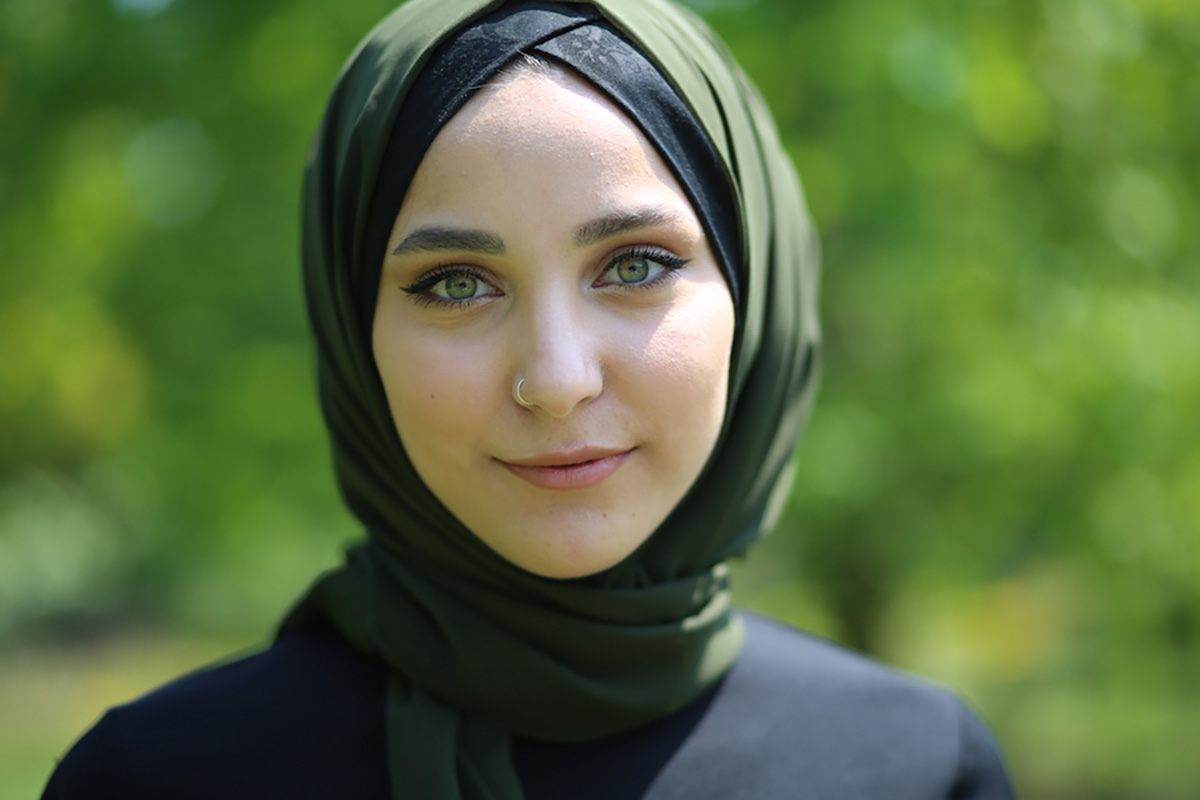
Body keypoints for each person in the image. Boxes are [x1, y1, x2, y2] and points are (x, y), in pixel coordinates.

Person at [42, 1, 1015, 798]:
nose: (555, 379)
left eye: (635, 265)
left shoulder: (920, 770)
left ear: (756, 295)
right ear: (350, 326)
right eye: (457, 283)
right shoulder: (154, 780)